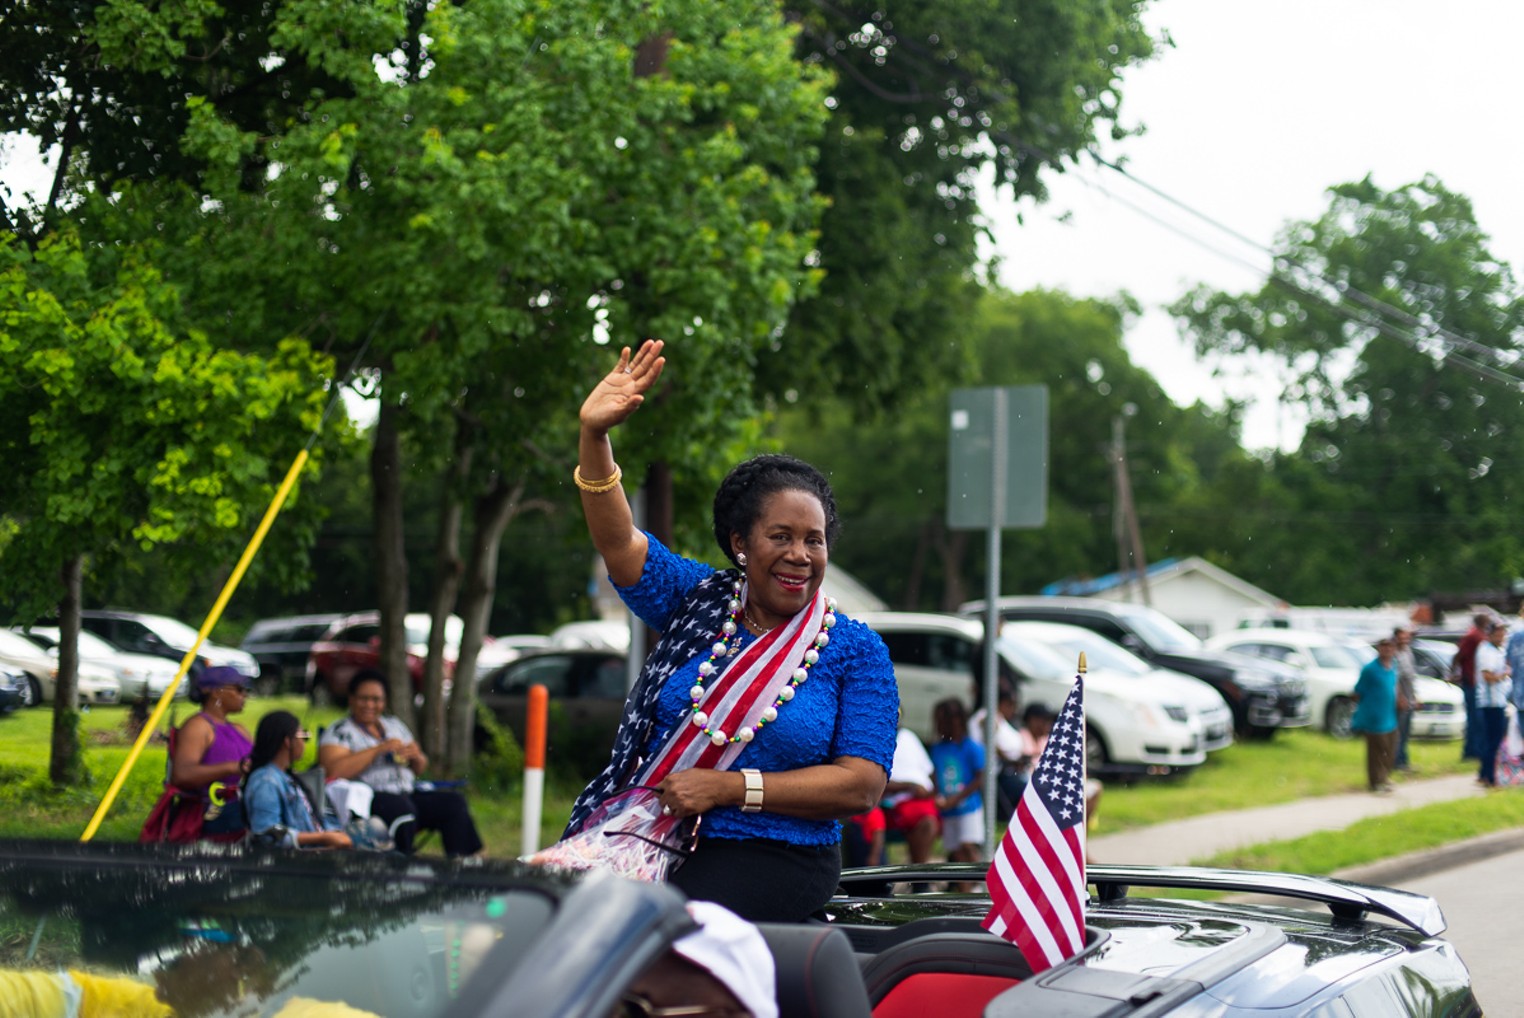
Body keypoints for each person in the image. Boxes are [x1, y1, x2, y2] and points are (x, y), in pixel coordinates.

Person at [562, 339, 897, 924]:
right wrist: (594, 437)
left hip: (775, 859)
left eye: (813, 539)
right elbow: (619, 542)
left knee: (644, 935)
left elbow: (860, 786)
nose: (800, 554)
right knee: (535, 922)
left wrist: (730, 788)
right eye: (781, 536)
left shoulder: (855, 649)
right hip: (647, 837)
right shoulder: (699, 600)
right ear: (741, 543)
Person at [317, 674, 483, 857]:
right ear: (351, 699)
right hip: (368, 799)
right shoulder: (340, 731)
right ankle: (400, 867)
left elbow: (419, 768)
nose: (370, 705)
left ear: (385, 702)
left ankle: (461, 867)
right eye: (364, 699)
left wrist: (416, 756)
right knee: (403, 810)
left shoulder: (394, 725)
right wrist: (378, 750)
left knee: (453, 803)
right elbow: (333, 771)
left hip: (406, 792)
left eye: (376, 700)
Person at [244, 711, 353, 850]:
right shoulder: (266, 781)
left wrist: (336, 834)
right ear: (287, 741)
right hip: (294, 864)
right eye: (303, 737)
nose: (304, 743)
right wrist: (323, 837)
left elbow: (316, 821)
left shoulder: (286, 777)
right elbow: (267, 834)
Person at [170, 664, 254, 841]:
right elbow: (182, 775)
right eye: (239, 689)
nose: (244, 695)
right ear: (216, 692)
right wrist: (232, 768)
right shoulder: (198, 726)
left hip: (242, 809)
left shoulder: (239, 729)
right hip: (211, 814)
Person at [929, 698, 984, 865]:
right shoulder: (938, 748)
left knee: (968, 845)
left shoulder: (971, 747)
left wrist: (957, 798)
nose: (938, 726)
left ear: (956, 721)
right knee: (957, 854)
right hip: (948, 809)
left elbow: (980, 777)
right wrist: (938, 795)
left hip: (968, 807)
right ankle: (965, 887)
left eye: (941, 721)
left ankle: (981, 884)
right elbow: (935, 775)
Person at [879, 726, 940, 866]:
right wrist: (910, 787)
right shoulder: (878, 736)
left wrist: (935, 792)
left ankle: (918, 874)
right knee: (927, 822)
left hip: (923, 799)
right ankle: (919, 877)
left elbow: (929, 769)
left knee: (932, 819)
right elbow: (875, 782)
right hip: (894, 804)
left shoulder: (908, 736)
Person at [969, 683, 1031, 815]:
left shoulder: (1000, 718)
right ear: (1001, 702)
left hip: (1011, 768)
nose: (1013, 709)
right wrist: (1009, 760)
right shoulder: (986, 717)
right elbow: (989, 744)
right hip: (997, 773)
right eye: (1011, 705)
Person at [1350, 637, 1400, 793]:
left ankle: (1384, 778)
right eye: (1383, 647)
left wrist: (1400, 699)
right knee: (1377, 751)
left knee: (1391, 750)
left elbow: (1394, 686)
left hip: (1389, 715)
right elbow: (1357, 692)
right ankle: (1375, 782)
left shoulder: (1393, 666)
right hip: (1373, 717)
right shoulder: (1370, 669)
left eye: (1390, 647)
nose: (1387, 650)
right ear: (1379, 649)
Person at [1474, 620, 1513, 788]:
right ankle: (1489, 777)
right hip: (1491, 702)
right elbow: (1487, 677)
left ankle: (1484, 773)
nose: (1501, 636)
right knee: (1494, 741)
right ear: (1490, 634)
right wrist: (1504, 675)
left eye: (1503, 633)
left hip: (1499, 700)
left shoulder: (1498, 649)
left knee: (1492, 740)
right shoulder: (1486, 651)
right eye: (1498, 633)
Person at [1452, 612, 1492, 760]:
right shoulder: (1473, 636)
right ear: (1482, 621)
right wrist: (1454, 671)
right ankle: (1471, 751)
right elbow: (1459, 655)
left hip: (1478, 682)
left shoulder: (1479, 635)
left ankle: (1475, 749)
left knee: (1478, 718)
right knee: (1475, 718)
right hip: (1472, 681)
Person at [1392, 626, 1421, 773]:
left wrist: (1415, 697)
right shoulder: (1394, 654)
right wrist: (1400, 698)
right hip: (1400, 699)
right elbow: (1395, 680)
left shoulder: (1408, 652)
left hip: (1409, 698)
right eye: (1402, 637)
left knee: (1406, 732)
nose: (1405, 640)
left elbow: (1412, 677)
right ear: (1396, 638)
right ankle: (1396, 762)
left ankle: (1404, 760)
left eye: (1406, 637)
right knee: (1399, 732)